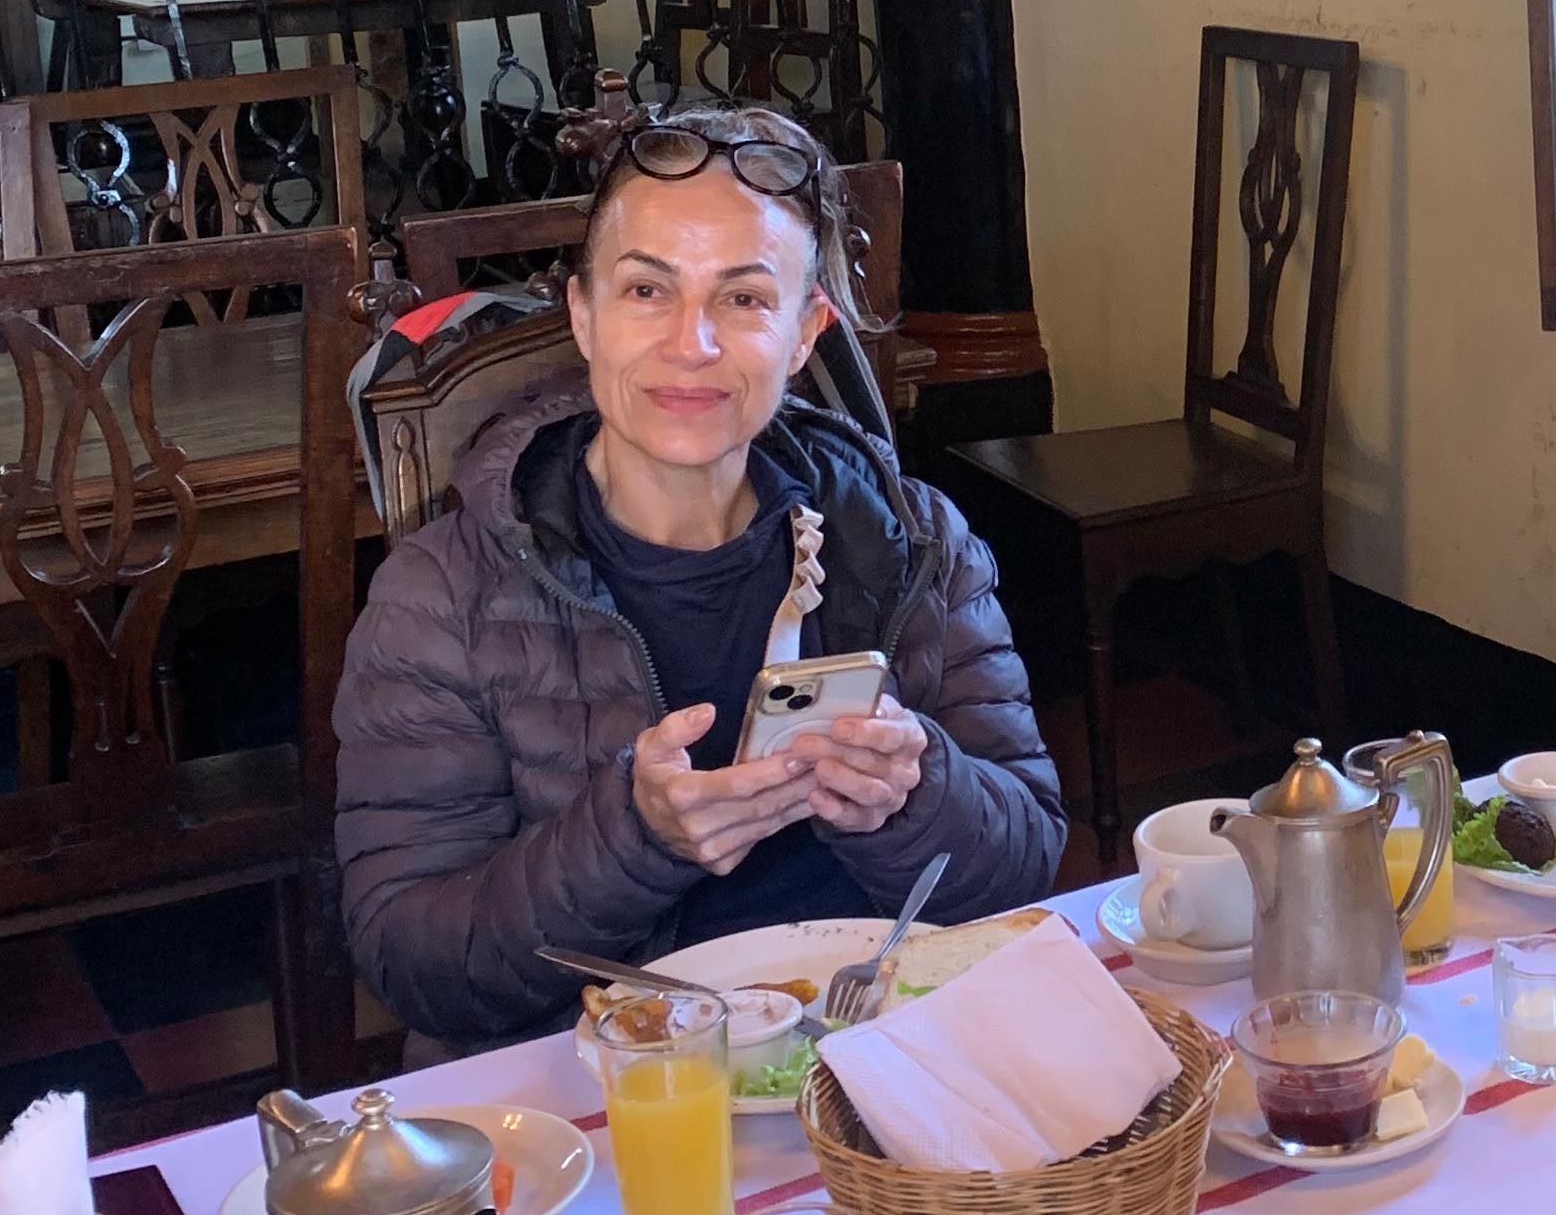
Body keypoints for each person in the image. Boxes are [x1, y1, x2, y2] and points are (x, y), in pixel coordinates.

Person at [337, 105, 1065, 1046]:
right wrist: (634, 843)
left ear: (806, 334)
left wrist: (914, 798)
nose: (694, 344)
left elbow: (1025, 863)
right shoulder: (442, 597)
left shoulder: (912, 539)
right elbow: (416, 964)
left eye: (745, 298)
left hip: (883, 1056)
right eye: (647, 291)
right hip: (625, 1103)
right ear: (583, 315)